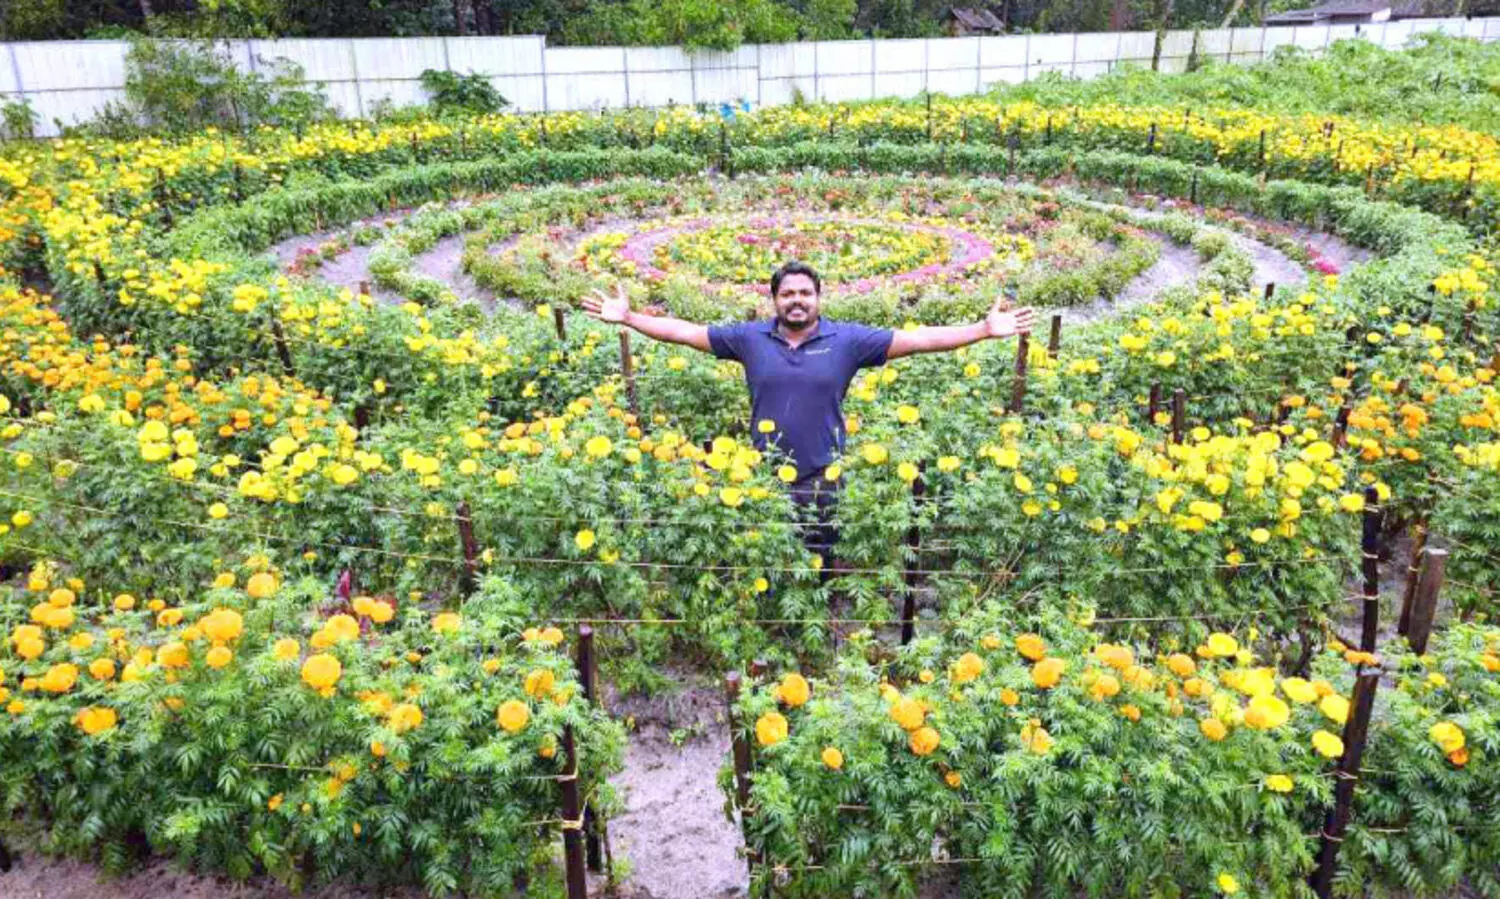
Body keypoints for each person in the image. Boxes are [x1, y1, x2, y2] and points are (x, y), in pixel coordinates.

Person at [580, 260, 1035, 562]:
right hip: (761, 477)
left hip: (823, 476)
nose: (796, 300)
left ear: (819, 298)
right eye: (787, 294)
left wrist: (981, 329)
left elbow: (918, 340)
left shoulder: (848, 341)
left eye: (805, 293)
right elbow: (685, 332)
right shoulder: (749, 338)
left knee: (820, 561)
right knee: (767, 560)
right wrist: (630, 318)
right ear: (774, 300)